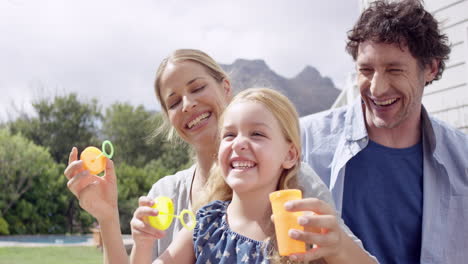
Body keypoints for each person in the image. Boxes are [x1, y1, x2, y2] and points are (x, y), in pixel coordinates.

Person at [64, 50, 371, 263]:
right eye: (173, 103)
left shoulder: (300, 200)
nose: (187, 105)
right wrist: (108, 217)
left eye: (197, 87)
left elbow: (344, 251)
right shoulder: (201, 219)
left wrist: (337, 244)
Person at [300, 1, 468, 263]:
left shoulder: (464, 157)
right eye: (366, 70)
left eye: (394, 70)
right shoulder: (303, 141)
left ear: (431, 69)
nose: (377, 89)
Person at [155, 88, 376, 263]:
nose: (239, 143)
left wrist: (339, 247)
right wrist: (143, 241)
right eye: (229, 135)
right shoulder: (205, 224)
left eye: (257, 134)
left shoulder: (304, 228)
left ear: (290, 155)